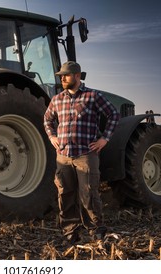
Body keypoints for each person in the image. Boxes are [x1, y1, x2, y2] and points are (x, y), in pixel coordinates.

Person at [43, 61, 120, 244]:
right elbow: (47, 120)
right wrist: (52, 136)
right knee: (65, 193)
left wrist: (105, 139)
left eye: (66, 75)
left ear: (77, 76)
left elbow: (113, 115)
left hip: (86, 154)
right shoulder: (57, 99)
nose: (62, 78)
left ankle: (96, 231)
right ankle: (70, 232)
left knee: (89, 193)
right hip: (63, 155)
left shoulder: (92, 96)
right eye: (61, 75)